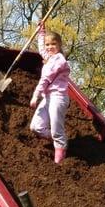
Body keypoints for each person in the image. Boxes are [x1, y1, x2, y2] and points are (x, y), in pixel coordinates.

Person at [29, 22, 70, 164]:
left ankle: (60, 155)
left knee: (56, 130)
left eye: (53, 44)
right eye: (48, 44)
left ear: (59, 45)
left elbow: (46, 78)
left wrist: (35, 95)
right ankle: (60, 140)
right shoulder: (49, 57)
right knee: (36, 127)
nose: (49, 47)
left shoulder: (59, 60)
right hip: (48, 98)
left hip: (58, 98)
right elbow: (41, 48)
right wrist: (41, 32)